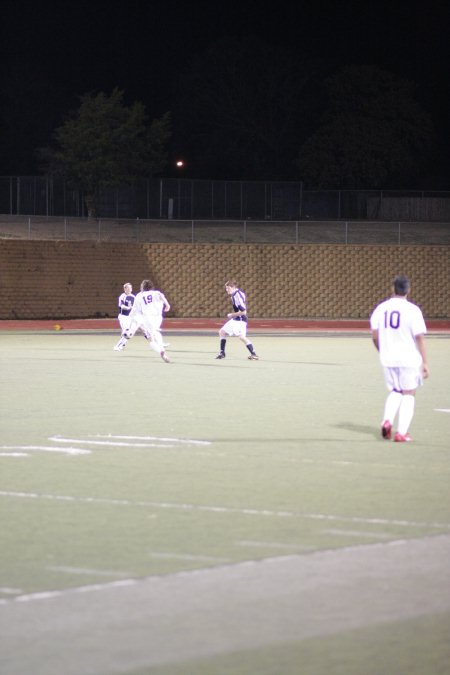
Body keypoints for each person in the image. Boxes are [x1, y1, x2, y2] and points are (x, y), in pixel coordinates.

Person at [370, 275, 429, 442]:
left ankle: (387, 420)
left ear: (392, 289)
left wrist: (382, 351)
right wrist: (425, 362)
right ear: (408, 290)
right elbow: (419, 338)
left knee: (396, 391)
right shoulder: (413, 310)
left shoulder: (380, 308)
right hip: (408, 358)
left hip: (388, 358)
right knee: (409, 393)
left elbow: (375, 335)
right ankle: (401, 432)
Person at [126, 279, 171, 362]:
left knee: (151, 339)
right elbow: (162, 297)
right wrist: (167, 305)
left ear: (142, 287)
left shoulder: (139, 296)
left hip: (147, 318)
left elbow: (134, 310)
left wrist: (130, 317)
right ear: (151, 286)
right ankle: (161, 348)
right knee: (156, 332)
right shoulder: (156, 293)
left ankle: (161, 351)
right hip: (158, 317)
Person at [215, 280, 259, 360]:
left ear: (233, 287)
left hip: (239, 319)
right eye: (226, 288)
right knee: (241, 337)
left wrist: (232, 315)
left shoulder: (237, 296)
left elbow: (243, 311)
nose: (227, 290)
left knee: (222, 332)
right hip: (241, 319)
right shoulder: (237, 293)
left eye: (228, 288)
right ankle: (254, 354)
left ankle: (222, 353)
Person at [113, 283, 135, 351]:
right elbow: (121, 306)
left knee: (128, 331)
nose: (130, 289)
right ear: (125, 289)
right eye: (128, 288)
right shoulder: (122, 296)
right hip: (123, 316)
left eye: (131, 288)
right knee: (126, 331)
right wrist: (128, 308)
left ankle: (122, 344)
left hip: (130, 317)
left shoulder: (133, 297)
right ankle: (118, 346)